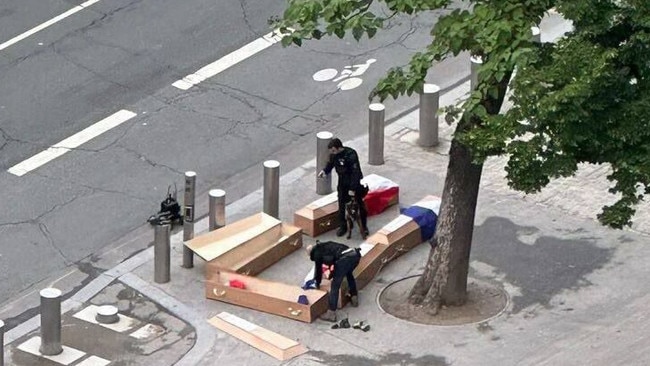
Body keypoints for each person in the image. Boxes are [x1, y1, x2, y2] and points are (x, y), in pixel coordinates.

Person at [318, 138, 368, 237]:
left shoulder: (351, 154)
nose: (332, 153)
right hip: (342, 183)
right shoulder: (334, 155)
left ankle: (364, 226)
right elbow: (330, 164)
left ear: (339, 148)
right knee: (341, 205)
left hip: (353, 183)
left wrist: (352, 189)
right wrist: (325, 171)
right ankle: (343, 226)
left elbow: (355, 172)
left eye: (333, 150)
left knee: (359, 205)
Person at [306, 240, 361, 322]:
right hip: (355, 255)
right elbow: (333, 261)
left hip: (344, 260)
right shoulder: (326, 245)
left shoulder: (317, 254)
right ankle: (354, 296)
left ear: (311, 254)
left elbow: (318, 271)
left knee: (335, 286)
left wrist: (317, 283)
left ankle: (331, 313)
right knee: (349, 273)